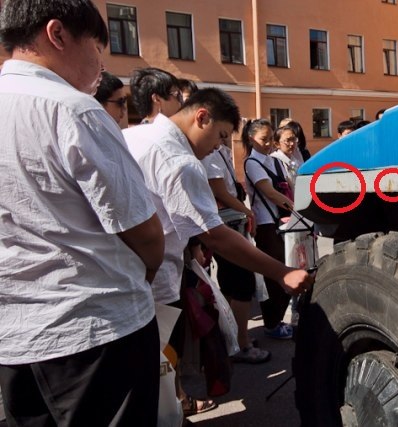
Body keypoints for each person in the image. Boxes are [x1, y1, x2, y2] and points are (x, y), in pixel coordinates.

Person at [0, 1, 165, 426]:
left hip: (16, 340)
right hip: (97, 332)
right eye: (97, 46)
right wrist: (145, 272)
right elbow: (143, 230)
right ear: (57, 34)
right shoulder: (73, 108)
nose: (100, 64)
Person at [123, 90, 312, 387]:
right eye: (220, 136)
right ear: (202, 117)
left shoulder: (133, 136)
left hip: (124, 275)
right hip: (152, 283)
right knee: (159, 369)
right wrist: (281, 272)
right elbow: (217, 237)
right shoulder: (180, 161)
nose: (217, 148)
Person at [201, 141, 270, 363]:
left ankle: (232, 339)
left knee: (231, 285)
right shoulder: (210, 152)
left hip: (230, 222)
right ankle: (242, 344)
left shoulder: (222, 150)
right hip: (226, 225)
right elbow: (220, 192)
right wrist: (248, 212)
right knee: (242, 285)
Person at [242, 118, 297, 340]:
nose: (267, 143)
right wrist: (295, 208)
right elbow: (270, 192)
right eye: (263, 139)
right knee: (273, 277)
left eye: (268, 138)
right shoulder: (252, 163)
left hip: (283, 222)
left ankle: (278, 319)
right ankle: (272, 324)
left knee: (286, 270)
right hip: (266, 224)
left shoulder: (273, 161)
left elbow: (286, 187)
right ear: (251, 138)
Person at [272, 123, 304, 193]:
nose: (292, 143)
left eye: (293, 139)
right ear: (277, 144)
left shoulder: (295, 160)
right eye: (288, 140)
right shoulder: (274, 160)